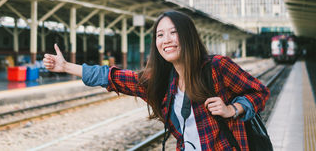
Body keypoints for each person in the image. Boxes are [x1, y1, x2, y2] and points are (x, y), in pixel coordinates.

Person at [43, 10, 270, 151]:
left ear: (187, 35)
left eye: (173, 33)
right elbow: (112, 77)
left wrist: (233, 109)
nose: (166, 40)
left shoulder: (216, 67)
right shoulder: (161, 81)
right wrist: (65, 67)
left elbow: (260, 92)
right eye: (160, 35)